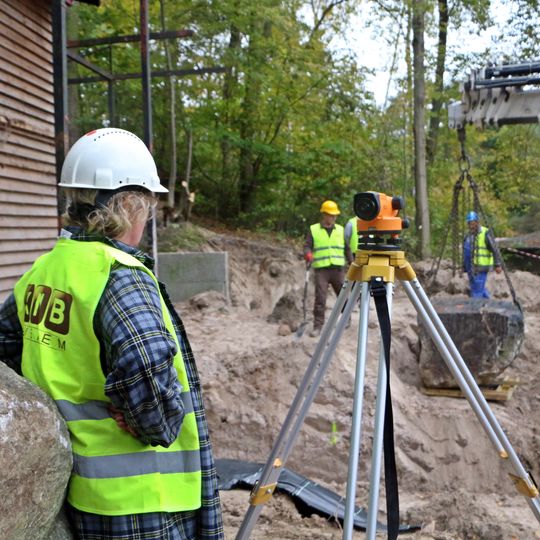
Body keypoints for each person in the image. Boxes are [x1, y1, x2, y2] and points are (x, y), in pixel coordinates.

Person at [0, 128, 224, 540]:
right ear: (130, 206)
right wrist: (152, 421)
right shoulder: (120, 277)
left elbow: (8, 344)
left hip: (86, 492)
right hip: (146, 499)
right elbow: (145, 364)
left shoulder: (45, 269)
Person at [303, 200, 352, 337]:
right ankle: (317, 326)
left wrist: (352, 263)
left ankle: (346, 319)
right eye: (331, 215)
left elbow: (347, 249)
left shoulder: (341, 230)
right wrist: (307, 253)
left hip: (337, 270)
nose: (334, 217)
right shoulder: (314, 230)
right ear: (324, 215)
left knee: (342, 296)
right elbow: (307, 245)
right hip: (322, 271)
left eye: (335, 215)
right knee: (320, 298)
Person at [463, 210, 502, 298]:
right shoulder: (468, 236)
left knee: (476, 292)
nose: (471, 226)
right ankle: (489, 304)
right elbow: (465, 253)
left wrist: (497, 264)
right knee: (478, 288)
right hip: (471, 268)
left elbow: (495, 249)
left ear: (477, 222)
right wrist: (464, 266)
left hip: (481, 268)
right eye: (469, 224)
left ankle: (475, 310)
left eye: (472, 223)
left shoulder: (485, 233)